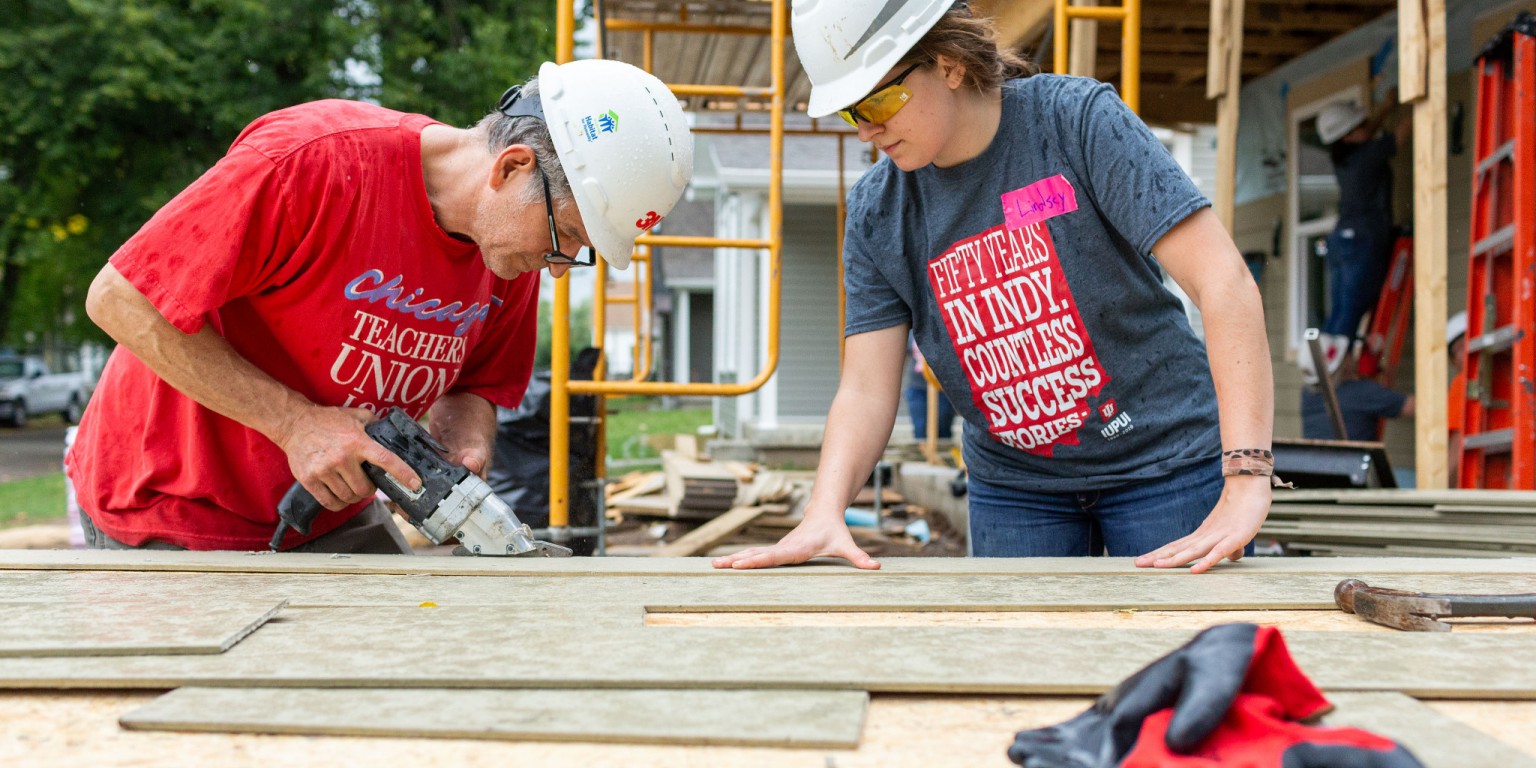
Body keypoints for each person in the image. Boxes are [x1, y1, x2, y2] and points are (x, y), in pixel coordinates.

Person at [714, 1, 1275, 574]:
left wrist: (1247, 477)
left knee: (1184, 657)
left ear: (951, 63)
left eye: (878, 101)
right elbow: (865, 389)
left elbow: (1224, 282)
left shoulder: (1076, 121)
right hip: (1017, 489)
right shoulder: (878, 213)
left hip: (1167, 466)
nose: (866, 130)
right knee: (1022, 659)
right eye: (847, 114)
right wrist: (823, 511)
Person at [68, 60, 694, 553]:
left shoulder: (508, 248)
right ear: (512, 167)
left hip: (329, 516)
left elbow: (478, 383)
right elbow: (121, 299)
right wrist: (295, 424)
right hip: (167, 505)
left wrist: (464, 438)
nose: (561, 267)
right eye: (569, 239)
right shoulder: (313, 162)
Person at [1312, 88, 1412, 374]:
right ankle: (1339, 376)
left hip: (1341, 240)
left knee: (1340, 315)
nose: (1366, 129)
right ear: (1348, 135)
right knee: (1351, 315)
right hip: (1363, 241)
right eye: (1359, 126)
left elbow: (1365, 134)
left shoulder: (1343, 157)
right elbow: (1399, 137)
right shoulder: (1368, 156)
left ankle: (1322, 373)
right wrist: (1417, 98)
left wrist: (1385, 107)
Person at [1299, 358, 1414, 442]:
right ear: (1342, 363)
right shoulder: (1362, 391)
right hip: (1353, 470)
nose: (1354, 358)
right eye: (1348, 353)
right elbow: (1416, 407)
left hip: (1314, 469)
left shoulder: (1307, 394)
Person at [905, 335, 956, 441]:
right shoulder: (909, 331)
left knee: (942, 428)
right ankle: (924, 454)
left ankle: (943, 455)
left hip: (943, 387)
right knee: (921, 429)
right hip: (917, 387)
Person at [1446, 310, 1468, 486]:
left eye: (1465, 343)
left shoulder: (1462, 382)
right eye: (1458, 349)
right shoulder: (1461, 383)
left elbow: (1456, 445)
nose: (1465, 352)